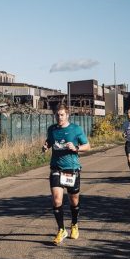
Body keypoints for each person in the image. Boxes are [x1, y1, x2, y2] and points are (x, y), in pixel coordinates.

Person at [42, 104, 90, 245]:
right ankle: (61, 229)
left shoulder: (75, 129)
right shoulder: (52, 129)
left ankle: (74, 224)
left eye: (62, 114)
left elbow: (87, 146)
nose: (59, 117)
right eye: (57, 115)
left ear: (67, 115)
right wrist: (45, 146)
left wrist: (76, 148)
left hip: (72, 169)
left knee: (73, 201)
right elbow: (49, 142)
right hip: (56, 168)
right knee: (57, 200)